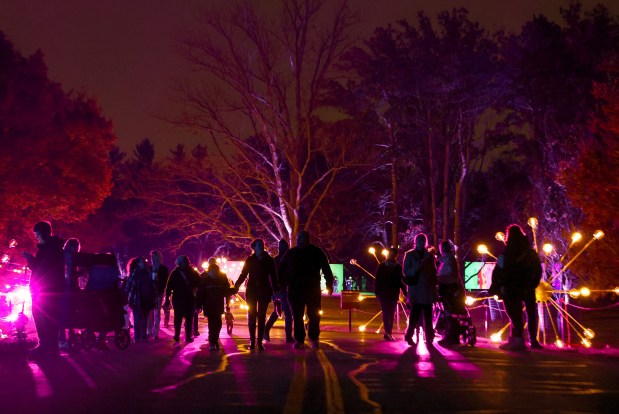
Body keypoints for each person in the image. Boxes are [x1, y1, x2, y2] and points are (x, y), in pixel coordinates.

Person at [278, 230, 334, 349]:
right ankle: (299, 339)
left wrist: (330, 284)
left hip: (312, 288)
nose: (298, 239)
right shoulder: (291, 253)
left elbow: (326, 268)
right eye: (298, 237)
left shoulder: (316, 252)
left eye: (301, 237)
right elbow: (281, 270)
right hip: (294, 289)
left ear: (308, 239)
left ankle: (314, 337)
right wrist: (279, 286)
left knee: (314, 315)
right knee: (297, 316)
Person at [494, 224, 543, 351]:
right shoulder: (530, 252)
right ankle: (533, 340)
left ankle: (517, 339)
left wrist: (498, 286)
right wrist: (532, 283)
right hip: (527, 287)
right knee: (531, 314)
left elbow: (498, 270)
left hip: (512, 287)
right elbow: (538, 269)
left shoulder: (507, 253)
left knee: (515, 314)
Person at [22, 221, 65, 358]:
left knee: (42, 316)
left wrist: (30, 259)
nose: (36, 237)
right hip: (51, 288)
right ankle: (50, 346)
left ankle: (47, 346)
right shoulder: (54, 247)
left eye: (37, 234)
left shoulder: (49, 249)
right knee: (47, 317)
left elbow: (41, 268)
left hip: (45, 290)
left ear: (44, 233)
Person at [234, 239, 278, 350]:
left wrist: (276, 290)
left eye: (262, 245)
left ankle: (259, 341)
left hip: (264, 291)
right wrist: (237, 285)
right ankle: (252, 341)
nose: (261, 246)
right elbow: (244, 274)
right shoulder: (250, 259)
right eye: (258, 245)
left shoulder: (269, 260)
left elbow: (273, 276)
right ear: (254, 247)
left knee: (262, 316)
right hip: (252, 290)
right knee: (252, 315)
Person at [402, 233, 438, 347]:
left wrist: (434, 287)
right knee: (414, 315)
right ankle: (409, 336)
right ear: (416, 242)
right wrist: (417, 268)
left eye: (423, 241)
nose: (422, 243)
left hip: (427, 290)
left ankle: (429, 337)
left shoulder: (429, 256)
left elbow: (433, 272)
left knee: (428, 316)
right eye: (420, 241)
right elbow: (406, 271)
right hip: (416, 289)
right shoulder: (409, 255)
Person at [197, 258, 237, 350]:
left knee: (218, 323)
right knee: (212, 324)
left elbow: (226, 290)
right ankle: (212, 342)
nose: (214, 272)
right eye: (212, 270)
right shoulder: (205, 279)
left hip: (218, 304)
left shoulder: (221, 278)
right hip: (209, 305)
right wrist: (198, 305)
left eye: (216, 270)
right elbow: (201, 293)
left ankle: (215, 340)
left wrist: (232, 291)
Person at [164, 255, 201, 343]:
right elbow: (199, 284)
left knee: (178, 318)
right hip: (189, 298)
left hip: (178, 298)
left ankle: (177, 335)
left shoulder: (175, 273)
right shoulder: (193, 272)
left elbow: (169, 287)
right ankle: (187, 336)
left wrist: (167, 299)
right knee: (188, 318)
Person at [436, 240, 466, 347]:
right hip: (449, 288)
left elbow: (449, 275)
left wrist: (438, 279)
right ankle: (450, 335)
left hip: (449, 290)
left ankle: (451, 336)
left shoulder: (448, 260)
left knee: (449, 313)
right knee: (449, 313)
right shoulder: (446, 260)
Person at [374, 247, 407, 342]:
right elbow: (378, 280)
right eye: (390, 254)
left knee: (391, 313)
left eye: (393, 254)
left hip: (393, 293)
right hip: (384, 293)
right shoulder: (382, 266)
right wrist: (377, 292)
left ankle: (389, 332)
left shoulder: (398, 267)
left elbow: (401, 281)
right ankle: (387, 332)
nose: (391, 256)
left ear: (395, 256)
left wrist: (405, 292)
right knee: (386, 313)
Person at [264, 239, 294, 343]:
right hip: (281, 290)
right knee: (287, 313)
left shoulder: (286, 259)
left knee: (278, 312)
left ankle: (266, 330)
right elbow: (272, 277)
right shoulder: (278, 260)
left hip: (284, 289)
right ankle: (288, 336)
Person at [124, 256, 156, 343]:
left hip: (146, 300)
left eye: (143, 262)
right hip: (137, 299)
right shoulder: (135, 272)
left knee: (144, 320)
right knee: (137, 319)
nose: (143, 264)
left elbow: (152, 285)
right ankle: (137, 338)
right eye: (141, 262)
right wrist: (125, 294)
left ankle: (143, 337)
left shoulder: (148, 272)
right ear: (138, 264)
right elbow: (129, 285)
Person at [147, 251, 169, 340]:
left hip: (159, 293)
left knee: (157, 313)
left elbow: (164, 282)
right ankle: (149, 330)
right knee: (149, 312)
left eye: (155, 258)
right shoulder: (149, 268)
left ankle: (155, 332)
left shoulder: (163, 269)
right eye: (152, 258)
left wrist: (160, 289)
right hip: (150, 293)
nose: (153, 260)